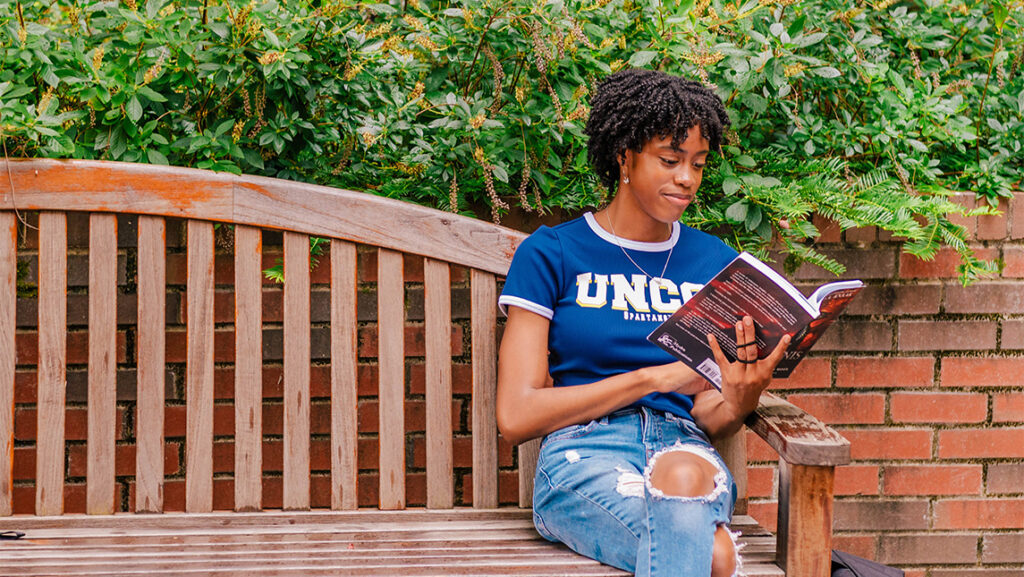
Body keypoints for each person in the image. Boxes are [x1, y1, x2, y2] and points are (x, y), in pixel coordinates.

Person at [495, 69, 790, 577]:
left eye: (697, 164)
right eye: (670, 160)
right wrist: (655, 378)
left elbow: (710, 415)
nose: (688, 179)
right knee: (713, 556)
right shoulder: (553, 252)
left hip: (684, 447)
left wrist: (743, 394)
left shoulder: (714, 263)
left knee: (682, 476)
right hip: (584, 453)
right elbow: (516, 415)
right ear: (624, 156)